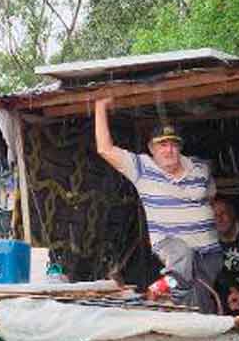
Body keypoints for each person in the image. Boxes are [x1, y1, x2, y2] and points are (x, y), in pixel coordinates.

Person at [93, 97, 223, 312]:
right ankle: (161, 289)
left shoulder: (200, 167)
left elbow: (211, 196)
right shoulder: (142, 168)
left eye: (173, 144)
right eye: (162, 145)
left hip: (208, 252)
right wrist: (100, 106)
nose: (168, 150)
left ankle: (169, 296)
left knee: (202, 302)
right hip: (171, 245)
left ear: (180, 147)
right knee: (182, 262)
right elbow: (105, 150)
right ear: (151, 149)